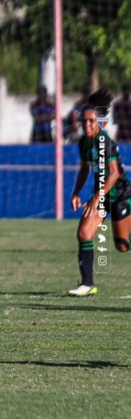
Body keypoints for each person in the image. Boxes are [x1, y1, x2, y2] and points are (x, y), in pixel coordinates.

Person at [69, 89, 131, 296]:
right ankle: (87, 284)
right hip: (101, 195)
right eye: (84, 121)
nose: (86, 125)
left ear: (99, 122)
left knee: (122, 246)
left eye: (91, 121)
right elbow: (85, 168)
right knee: (84, 233)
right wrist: (76, 193)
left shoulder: (104, 142)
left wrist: (96, 198)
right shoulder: (83, 143)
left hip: (121, 195)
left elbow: (113, 174)